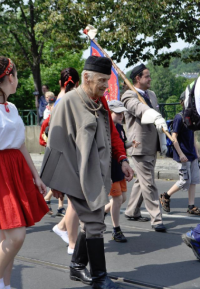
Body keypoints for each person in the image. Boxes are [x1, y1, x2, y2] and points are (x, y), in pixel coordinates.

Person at [40, 56, 134, 288]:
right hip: (75, 174)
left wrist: (122, 159)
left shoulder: (100, 100)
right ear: (86, 77)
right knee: (94, 223)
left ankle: (77, 266)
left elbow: (112, 134)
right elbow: (55, 145)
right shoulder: (69, 102)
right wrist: (55, 183)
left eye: (107, 80)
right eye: (101, 80)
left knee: (93, 219)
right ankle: (100, 278)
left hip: (99, 173)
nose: (105, 86)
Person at [0, 56, 49, 289]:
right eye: (17, 76)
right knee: (15, 237)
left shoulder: (11, 107)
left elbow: (20, 144)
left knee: (5, 238)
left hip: (15, 168)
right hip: (1, 173)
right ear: (10, 77)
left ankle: (5, 285)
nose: (18, 81)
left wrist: (36, 176)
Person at [121, 63, 168, 232]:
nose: (150, 79)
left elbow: (157, 115)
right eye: (147, 76)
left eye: (149, 76)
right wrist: (154, 115)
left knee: (142, 180)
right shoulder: (128, 95)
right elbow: (140, 109)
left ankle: (132, 210)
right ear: (137, 78)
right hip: (139, 146)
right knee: (149, 183)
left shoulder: (151, 94)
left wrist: (162, 140)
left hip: (152, 144)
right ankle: (156, 219)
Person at [52, 67, 80, 255]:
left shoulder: (57, 101)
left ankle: (63, 228)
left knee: (74, 201)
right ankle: (72, 242)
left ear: (60, 83)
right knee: (75, 202)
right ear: (77, 83)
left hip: (63, 154)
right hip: (71, 154)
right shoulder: (70, 101)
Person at [160, 91, 200, 215]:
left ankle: (191, 206)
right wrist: (181, 154)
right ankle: (166, 196)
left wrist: (197, 152)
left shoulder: (192, 116)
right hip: (183, 155)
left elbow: (193, 135)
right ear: (183, 101)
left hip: (192, 154)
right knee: (184, 181)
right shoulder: (179, 117)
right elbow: (174, 138)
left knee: (193, 180)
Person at [105, 100, 138, 243]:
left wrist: (130, 144)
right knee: (117, 199)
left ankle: (101, 213)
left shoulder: (119, 127)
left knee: (122, 198)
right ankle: (116, 229)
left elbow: (120, 144)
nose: (121, 115)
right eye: (117, 113)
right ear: (109, 113)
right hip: (110, 168)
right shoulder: (105, 128)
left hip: (119, 166)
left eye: (122, 112)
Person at [39, 94, 66, 217]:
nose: (53, 108)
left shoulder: (63, 120)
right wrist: (49, 144)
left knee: (63, 181)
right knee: (60, 181)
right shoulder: (46, 122)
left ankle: (60, 206)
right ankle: (49, 199)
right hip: (53, 154)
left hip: (64, 152)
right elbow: (41, 139)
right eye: (51, 106)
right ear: (48, 108)